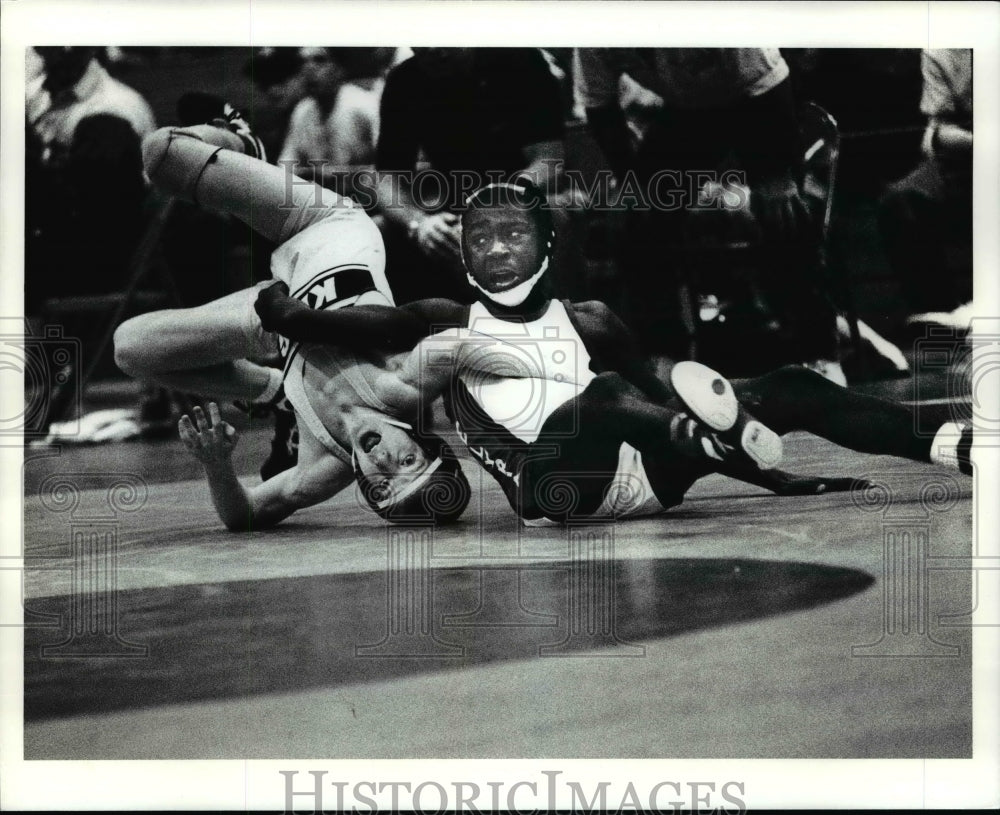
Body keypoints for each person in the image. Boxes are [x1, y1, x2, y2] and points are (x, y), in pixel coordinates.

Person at [253, 181, 973, 525]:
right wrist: (278, 306)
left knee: (790, 384)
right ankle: (721, 445)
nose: (497, 250)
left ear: (548, 245)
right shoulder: (440, 316)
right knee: (595, 402)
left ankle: (964, 449)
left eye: (514, 236)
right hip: (552, 490)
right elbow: (343, 325)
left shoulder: (593, 320)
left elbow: (659, 389)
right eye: (480, 238)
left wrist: (770, 476)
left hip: (643, 475)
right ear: (463, 254)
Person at [113, 111, 469, 530]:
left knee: (130, 349)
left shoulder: (324, 467)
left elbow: (244, 513)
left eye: (384, 483)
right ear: (422, 440)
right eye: (408, 460)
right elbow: (472, 333)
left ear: (367, 490)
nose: (384, 460)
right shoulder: (402, 387)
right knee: (162, 154)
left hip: (274, 313)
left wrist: (218, 464)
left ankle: (275, 393)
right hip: (321, 228)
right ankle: (245, 141)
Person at [573, 47, 845, 383]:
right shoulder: (592, 35)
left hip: (757, 102)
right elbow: (600, 107)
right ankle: (665, 354)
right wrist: (632, 181)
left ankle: (818, 352)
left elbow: (770, 79)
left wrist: (775, 175)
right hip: (688, 111)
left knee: (784, 214)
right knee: (640, 218)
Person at [374, 47, 584, 305]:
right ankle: (408, 337)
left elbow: (548, 162)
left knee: (553, 214)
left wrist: (495, 202)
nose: (433, 48)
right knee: (378, 230)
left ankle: (566, 322)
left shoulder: (520, 61)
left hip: (520, 196)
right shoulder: (403, 80)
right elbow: (386, 179)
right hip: (451, 209)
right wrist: (418, 224)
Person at [879, 49, 973, 330]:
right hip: (969, 153)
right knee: (901, 201)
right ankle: (939, 314)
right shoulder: (942, 48)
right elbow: (938, 130)